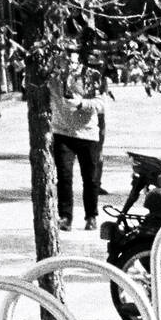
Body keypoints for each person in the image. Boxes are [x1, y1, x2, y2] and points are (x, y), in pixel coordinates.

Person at [50, 51, 105, 231]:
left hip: (88, 134)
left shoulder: (91, 76)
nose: (66, 62)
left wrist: (81, 103)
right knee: (64, 177)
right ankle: (65, 217)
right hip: (62, 132)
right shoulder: (51, 76)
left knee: (90, 178)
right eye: (62, 58)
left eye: (70, 57)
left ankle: (91, 216)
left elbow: (101, 103)